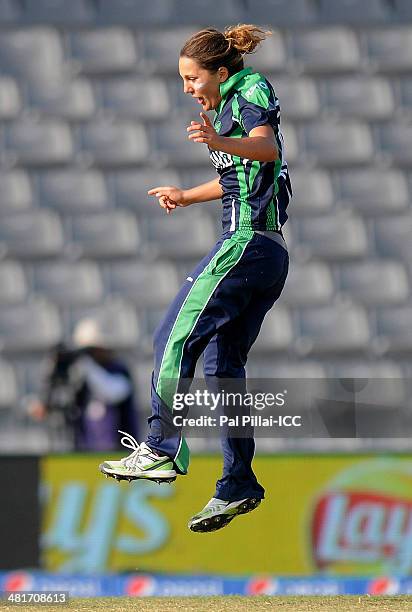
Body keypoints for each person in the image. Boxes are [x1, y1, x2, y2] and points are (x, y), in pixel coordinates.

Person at [100, 24, 292, 532]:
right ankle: (238, 484)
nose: (187, 88)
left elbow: (265, 149)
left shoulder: (247, 90)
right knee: (222, 367)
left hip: (247, 242)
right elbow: (239, 178)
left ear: (220, 72)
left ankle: (160, 447)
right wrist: (185, 195)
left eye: (191, 78)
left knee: (172, 335)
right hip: (265, 250)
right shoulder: (226, 105)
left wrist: (217, 138)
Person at [30, 318, 138, 451]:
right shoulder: (79, 374)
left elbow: (113, 392)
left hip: (118, 451)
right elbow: (64, 403)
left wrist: (88, 367)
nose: (91, 355)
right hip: (85, 449)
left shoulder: (118, 369)